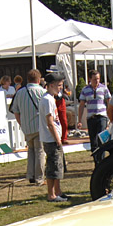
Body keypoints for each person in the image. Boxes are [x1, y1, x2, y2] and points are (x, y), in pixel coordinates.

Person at [12, 68, 47, 184]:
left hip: (26, 127)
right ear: (38, 79)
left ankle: (31, 175)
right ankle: (39, 178)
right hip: (39, 126)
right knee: (40, 152)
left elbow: (15, 111)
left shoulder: (20, 92)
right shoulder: (42, 92)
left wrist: (21, 123)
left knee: (31, 151)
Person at [40, 73, 67, 202]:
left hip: (53, 138)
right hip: (51, 139)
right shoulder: (47, 100)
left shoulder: (50, 98)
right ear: (51, 85)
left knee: (58, 166)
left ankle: (58, 191)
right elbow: (50, 123)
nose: (61, 88)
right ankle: (51, 195)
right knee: (53, 166)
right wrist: (57, 139)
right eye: (59, 85)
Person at [79, 70, 111, 162]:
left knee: (101, 140)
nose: (97, 81)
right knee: (93, 142)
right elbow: (81, 105)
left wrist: (110, 116)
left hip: (102, 117)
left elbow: (109, 102)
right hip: (91, 117)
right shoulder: (85, 90)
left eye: (98, 79)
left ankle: (102, 162)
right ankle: (97, 162)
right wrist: (80, 120)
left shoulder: (104, 89)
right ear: (89, 79)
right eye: (94, 79)